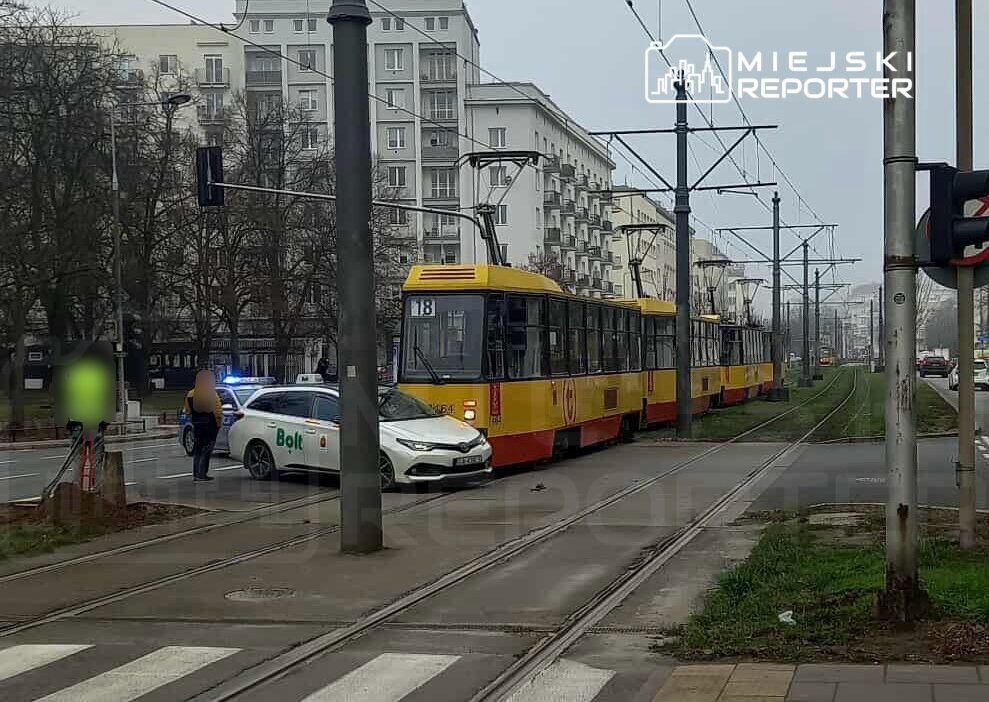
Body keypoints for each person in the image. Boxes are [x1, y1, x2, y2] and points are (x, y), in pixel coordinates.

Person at [185, 370, 223, 482]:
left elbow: (187, 411)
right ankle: (202, 473)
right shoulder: (212, 394)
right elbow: (218, 411)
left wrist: (193, 420)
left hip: (197, 424)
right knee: (207, 450)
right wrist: (218, 424)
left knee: (198, 449)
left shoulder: (190, 394)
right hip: (210, 425)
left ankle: (196, 474)